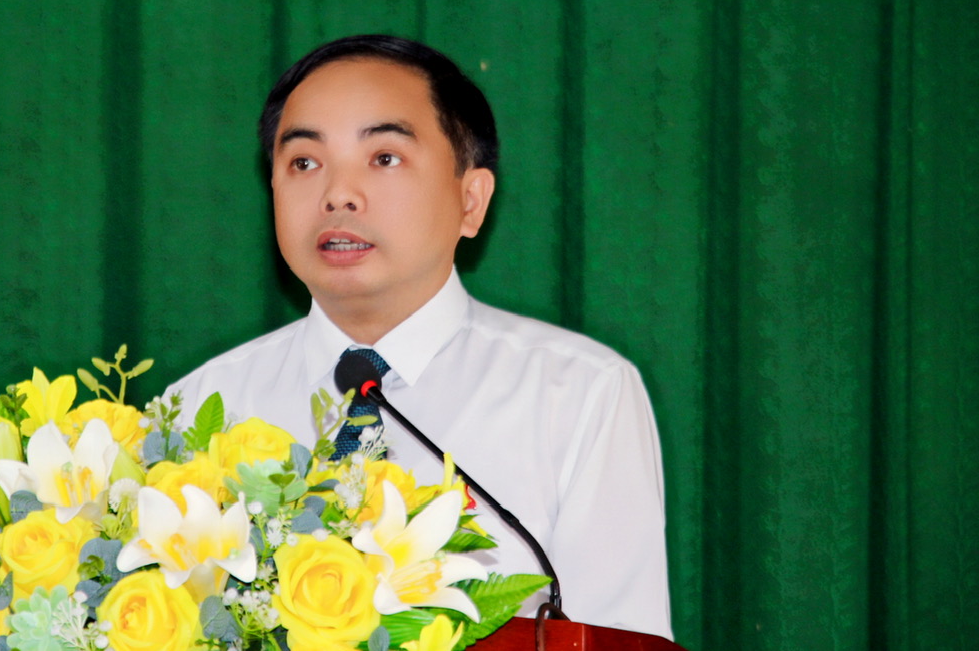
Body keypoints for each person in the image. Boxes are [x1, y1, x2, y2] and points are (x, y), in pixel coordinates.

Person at [168, 35, 672, 639]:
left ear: (470, 200)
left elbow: (618, 638)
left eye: (384, 157)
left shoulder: (578, 396)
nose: (338, 194)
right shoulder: (200, 406)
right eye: (304, 162)